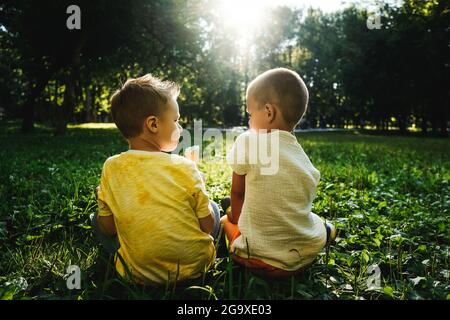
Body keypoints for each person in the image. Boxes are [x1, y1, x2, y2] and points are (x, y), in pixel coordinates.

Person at [91, 74, 220, 285]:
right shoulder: (185, 167)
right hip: (195, 268)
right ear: (153, 124)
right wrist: (199, 186)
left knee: (96, 220)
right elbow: (207, 226)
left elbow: (108, 228)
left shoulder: (111, 167)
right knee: (212, 207)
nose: (180, 128)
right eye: (176, 120)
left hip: (137, 274)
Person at [221, 68, 336, 278]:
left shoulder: (248, 141)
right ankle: (329, 230)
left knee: (224, 221)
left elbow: (238, 193)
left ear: (268, 112)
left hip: (256, 257)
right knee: (317, 222)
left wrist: (236, 218)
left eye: (249, 114)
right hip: (302, 258)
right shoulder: (302, 158)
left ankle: (230, 221)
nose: (248, 121)